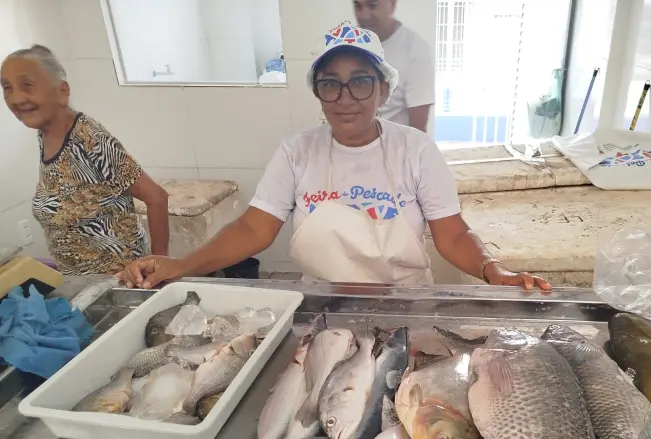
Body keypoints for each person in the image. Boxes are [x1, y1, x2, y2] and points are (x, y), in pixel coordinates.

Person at [117, 24, 551, 292]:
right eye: (331, 84)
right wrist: (182, 264)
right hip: (325, 302)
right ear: (317, 93)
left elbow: (452, 235)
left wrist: (493, 270)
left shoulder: (415, 149)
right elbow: (253, 229)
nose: (345, 98)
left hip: (403, 300)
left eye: (361, 82)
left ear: (383, 90)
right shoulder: (297, 151)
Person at [1, 45, 169, 275]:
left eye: (27, 85)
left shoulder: (90, 140)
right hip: (81, 285)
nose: (16, 98)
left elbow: (157, 197)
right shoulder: (46, 134)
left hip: (121, 284)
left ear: (62, 91)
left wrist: (157, 271)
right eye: (7, 88)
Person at [354, 0, 434, 132]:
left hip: (393, 148)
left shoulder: (415, 49)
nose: (363, 15)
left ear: (392, 4)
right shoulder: (350, 45)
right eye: (358, 6)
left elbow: (418, 130)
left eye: (373, 5)